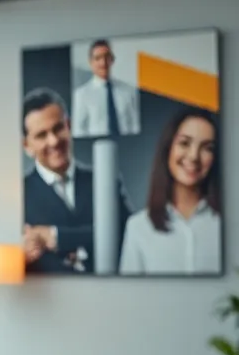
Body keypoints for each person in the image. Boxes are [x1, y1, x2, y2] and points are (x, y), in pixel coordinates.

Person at [21, 87, 130, 273]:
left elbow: (127, 234)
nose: (54, 141)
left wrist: (56, 236)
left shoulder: (103, 181)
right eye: (41, 135)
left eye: (58, 128)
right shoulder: (19, 195)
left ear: (69, 126)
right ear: (26, 146)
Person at [120, 107, 222, 274]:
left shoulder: (230, 224)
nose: (194, 156)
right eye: (184, 143)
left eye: (207, 148)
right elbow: (130, 290)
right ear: (168, 149)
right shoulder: (138, 227)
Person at [71, 39, 140, 138]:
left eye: (106, 57)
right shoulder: (81, 95)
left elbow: (134, 125)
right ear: (91, 62)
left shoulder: (128, 91)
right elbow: (78, 130)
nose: (103, 63)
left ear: (112, 60)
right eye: (98, 58)